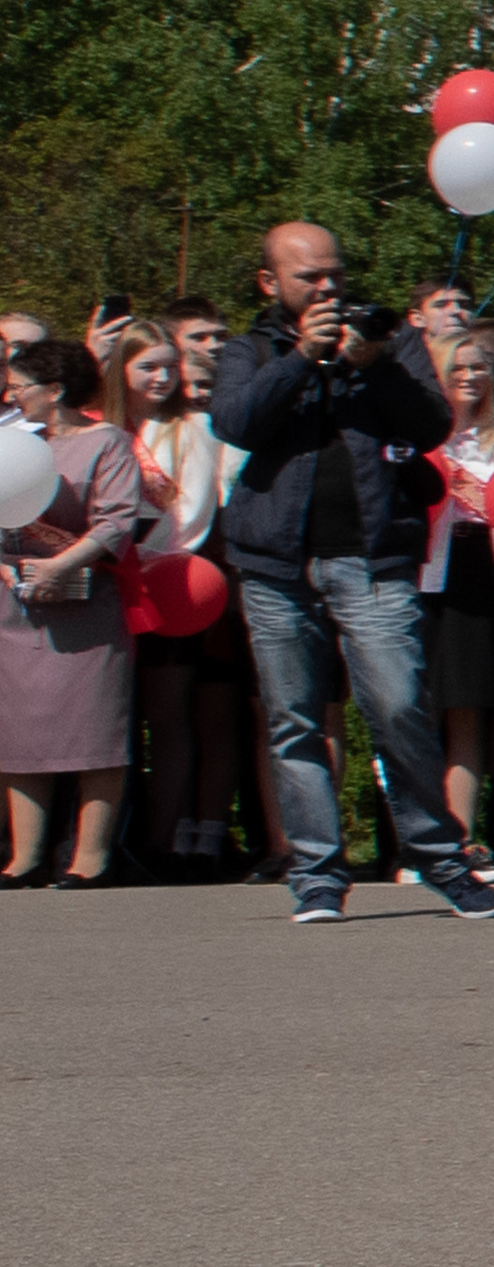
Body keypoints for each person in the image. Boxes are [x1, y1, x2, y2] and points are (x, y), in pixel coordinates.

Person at [210, 224, 494, 925]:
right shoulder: (248, 350)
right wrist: (304, 360)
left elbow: (433, 425)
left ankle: (439, 857)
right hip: (275, 565)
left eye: (334, 275)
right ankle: (317, 874)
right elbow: (236, 423)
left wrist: (370, 363)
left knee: (401, 706)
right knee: (294, 722)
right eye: (310, 278)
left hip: (373, 557)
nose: (327, 290)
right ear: (270, 283)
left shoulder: (388, 340)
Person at [0, 337, 144, 887]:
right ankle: (24, 857)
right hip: (17, 607)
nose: (11, 394)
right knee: (18, 734)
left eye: (20, 387)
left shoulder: (106, 442)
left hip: (86, 604)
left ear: (55, 391)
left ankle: (91, 858)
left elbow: (116, 521)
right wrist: (9, 568)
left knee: (94, 731)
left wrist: (60, 565)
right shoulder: (12, 442)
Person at [103, 315, 242, 868]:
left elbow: (194, 513)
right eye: (148, 367)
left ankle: (160, 840)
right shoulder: (103, 425)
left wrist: (150, 560)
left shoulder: (195, 427)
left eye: (169, 367)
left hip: (164, 582)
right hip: (103, 586)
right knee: (110, 719)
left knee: (166, 714)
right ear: (122, 370)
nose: (161, 378)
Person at [418, 324, 494, 881]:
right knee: (409, 714)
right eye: (457, 367)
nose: (470, 376)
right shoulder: (415, 439)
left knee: (467, 714)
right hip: (418, 580)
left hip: (479, 578)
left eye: (479, 366)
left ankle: (457, 844)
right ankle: (414, 842)